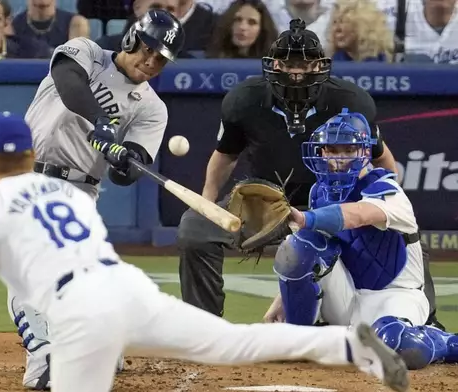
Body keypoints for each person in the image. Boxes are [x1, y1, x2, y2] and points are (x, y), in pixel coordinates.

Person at [0, 111, 410, 392]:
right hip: (128, 288)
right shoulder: (69, 193)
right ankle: (347, 347)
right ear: (30, 153)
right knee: (231, 343)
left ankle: (90, 354)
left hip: (82, 311)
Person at [176, 18, 443, 330]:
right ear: (273, 63)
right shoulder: (243, 100)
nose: (296, 70)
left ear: (320, 65)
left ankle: (428, 320)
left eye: (304, 62)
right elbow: (225, 156)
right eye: (288, 62)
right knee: (194, 228)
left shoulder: (350, 101)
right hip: (266, 205)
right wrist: (207, 203)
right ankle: (202, 327)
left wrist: (390, 206)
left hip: (334, 203)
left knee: (403, 235)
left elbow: (381, 156)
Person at [12, 8, 185, 389]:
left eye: (161, 59)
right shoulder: (85, 52)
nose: (151, 61)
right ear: (131, 38)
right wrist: (102, 123)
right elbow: (68, 81)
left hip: (79, 189)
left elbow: (129, 172)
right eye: (147, 49)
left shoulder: (152, 108)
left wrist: (124, 159)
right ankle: (44, 357)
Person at [264, 108, 458, 370]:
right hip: (347, 295)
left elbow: (358, 214)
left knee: (397, 344)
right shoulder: (319, 192)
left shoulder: (388, 191)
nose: (338, 158)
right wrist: (283, 299)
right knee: (297, 247)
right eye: (331, 150)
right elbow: (306, 256)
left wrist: (306, 218)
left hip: (394, 295)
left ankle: (446, 342)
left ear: (365, 152)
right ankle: (298, 338)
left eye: (348, 149)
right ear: (321, 152)